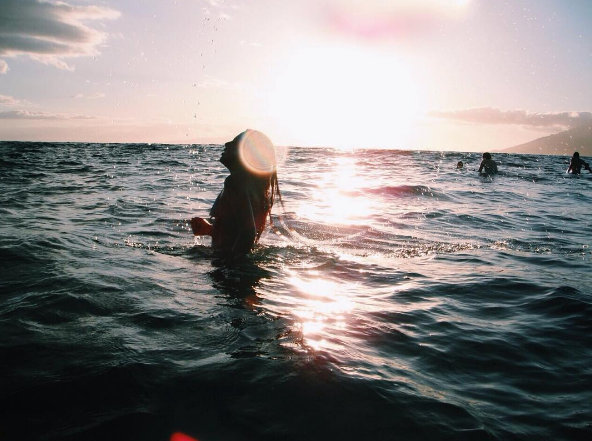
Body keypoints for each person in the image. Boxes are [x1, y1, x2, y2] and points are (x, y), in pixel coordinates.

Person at [191, 129, 282, 258]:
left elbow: (248, 233)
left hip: (228, 264)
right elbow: (237, 231)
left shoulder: (234, 182)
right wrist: (210, 230)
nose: (227, 144)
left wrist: (233, 263)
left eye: (234, 143)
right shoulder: (255, 189)